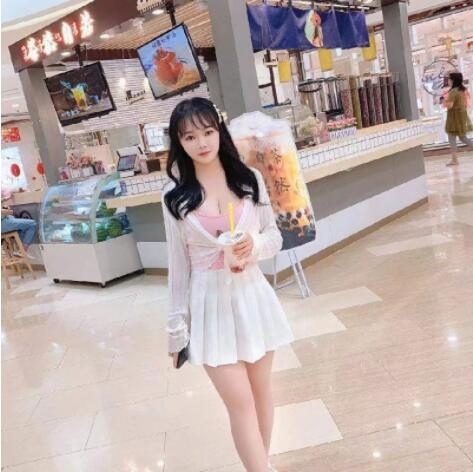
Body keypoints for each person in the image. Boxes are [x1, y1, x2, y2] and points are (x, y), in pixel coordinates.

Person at [163, 97, 294, 472]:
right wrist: (176, 332)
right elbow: (178, 268)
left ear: (219, 131)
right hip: (209, 304)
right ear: (179, 143)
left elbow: (274, 237)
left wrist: (254, 245)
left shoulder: (249, 180)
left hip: (252, 296)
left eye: (208, 131)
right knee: (240, 403)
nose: (201, 142)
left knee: (261, 395)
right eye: (189, 137)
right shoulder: (174, 197)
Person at [444, 72, 473, 166]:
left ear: (453, 80)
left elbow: (450, 106)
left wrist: (445, 101)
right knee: (462, 137)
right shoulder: (462, 90)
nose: (448, 81)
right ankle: (454, 159)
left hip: (454, 118)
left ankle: (455, 160)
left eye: (449, 79)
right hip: (461, 116)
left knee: (452, 137)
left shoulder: (453, 92)